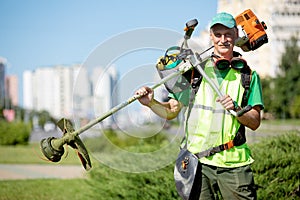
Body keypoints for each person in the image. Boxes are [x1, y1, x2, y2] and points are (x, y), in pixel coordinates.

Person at [135, 12, 264, 200]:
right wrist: (150, 103)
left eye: (228, 34)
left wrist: (236, 109)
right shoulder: (195, 72)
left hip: (234, 163)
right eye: (218, 35)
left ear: (236, 35)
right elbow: (172, 111)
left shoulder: (249, 77)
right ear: (211, 37)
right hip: (196, 163)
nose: (223, 39)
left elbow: (254, 122)